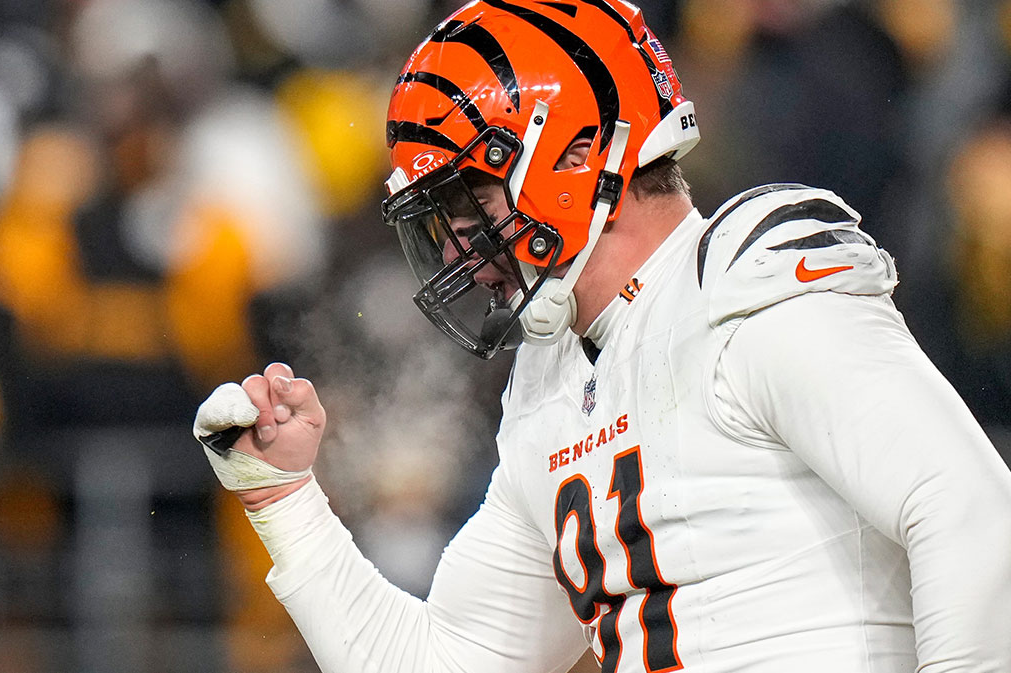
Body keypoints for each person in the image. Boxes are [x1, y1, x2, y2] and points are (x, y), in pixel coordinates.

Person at [193, 2, 1011, 671]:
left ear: (580, 153)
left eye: (471, 198)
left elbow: (967, 505)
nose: (455, 246)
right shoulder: (555, 380)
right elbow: (452, 660)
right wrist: (284, 500)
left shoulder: (740, 285)